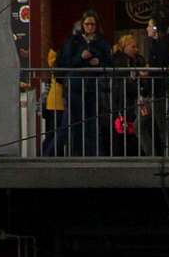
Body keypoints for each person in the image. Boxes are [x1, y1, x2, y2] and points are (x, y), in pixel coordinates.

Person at [57, 10, 113, 156]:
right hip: (75, 87)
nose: (90, 27)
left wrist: (99, 63)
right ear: (82, 25)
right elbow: (65, 63)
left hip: (92, 88)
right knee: (72, 124)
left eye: (93, 24)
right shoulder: (74, 41)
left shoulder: (101, 42)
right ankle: (73, 153)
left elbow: (111, 63)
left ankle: (93, 154)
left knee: (92, 124)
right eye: (87, 24)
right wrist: (80, 58)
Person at [144, 17, 169, 155]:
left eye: (149, 25)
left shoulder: (161, 47)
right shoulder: (161, 44)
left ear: (155, 29)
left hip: (159, 92)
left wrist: (144, 91)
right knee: (139, 124)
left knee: (163, 127)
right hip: (156, 92)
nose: (147, 29)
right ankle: (150, 154)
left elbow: (155, 72)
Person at [110, 33, 147, 155]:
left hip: (130, 100)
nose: (136, 50)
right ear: (124, 47)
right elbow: (125, 84)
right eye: (133, 47)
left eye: (137, 47)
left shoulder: (136, 60)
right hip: (124, 101)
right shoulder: (121, 62)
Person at [41, 47, 67, 156]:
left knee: (52, 132)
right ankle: (45, 154)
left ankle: (44, 154)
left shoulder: (54, 64)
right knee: (56, 132)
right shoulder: (61, 66)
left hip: (53, 102)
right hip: (58, 102)